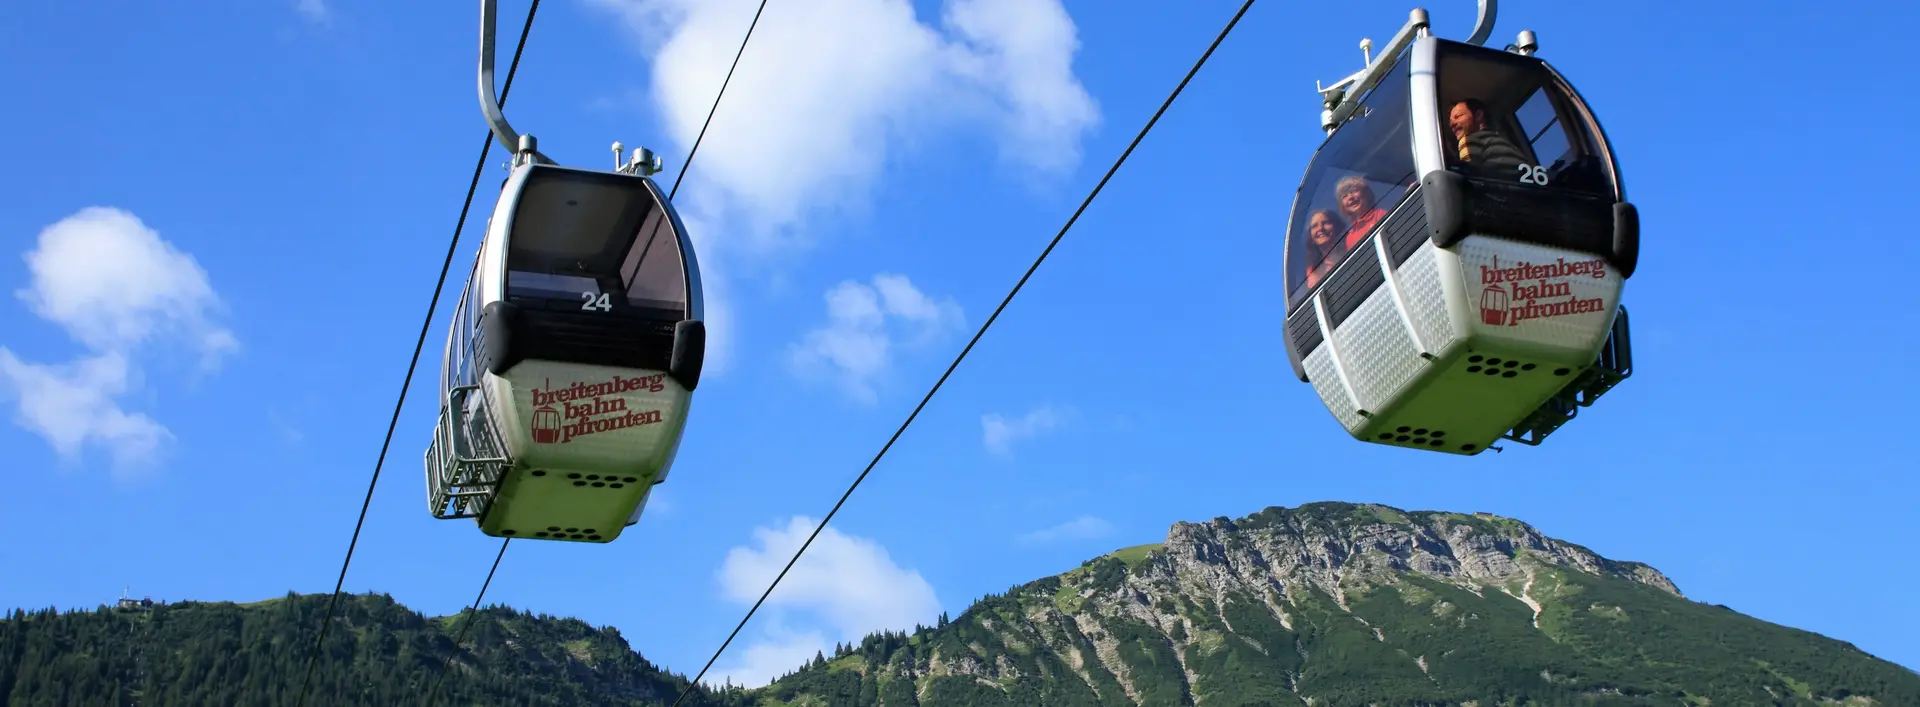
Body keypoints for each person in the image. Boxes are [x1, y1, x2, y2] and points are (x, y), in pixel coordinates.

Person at [1447, 98, 1529, 176]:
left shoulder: (1469, 139)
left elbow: (1470, 175)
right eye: (1450, 121)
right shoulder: (1504, 142)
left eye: (1458, 116)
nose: (1451, 125)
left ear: (1479, 115)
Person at [1334, 175, 1387, 249]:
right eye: (1344, 196)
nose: (1350, 197)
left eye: (1354, 191)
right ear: (1342, 206)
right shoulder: (1350, 237)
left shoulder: (1380, 215)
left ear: (1366, 194)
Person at [1302, 209, 1348, 289]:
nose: (1320, 228)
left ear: (1336, 226)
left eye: (1325, 223)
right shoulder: (1312, 269)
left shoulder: (1349, 246)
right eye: (1314, 226)